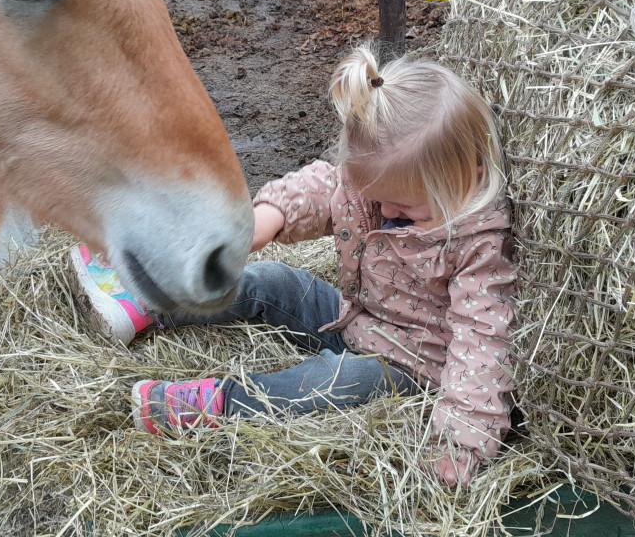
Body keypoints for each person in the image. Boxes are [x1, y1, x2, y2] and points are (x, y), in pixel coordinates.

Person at [69, 45, 517, 488]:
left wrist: (462, 444)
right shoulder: (388, 187)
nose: (386, 210)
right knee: (273, 281)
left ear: (470, 175)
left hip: (407, 365)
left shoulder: (478, 248)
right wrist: (266, 219)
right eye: (380, 199)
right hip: (350, 315)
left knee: (327, 382)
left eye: (403, 205)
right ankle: (147, 302)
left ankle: (221, 404)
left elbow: (482, 345)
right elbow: (325, 187)